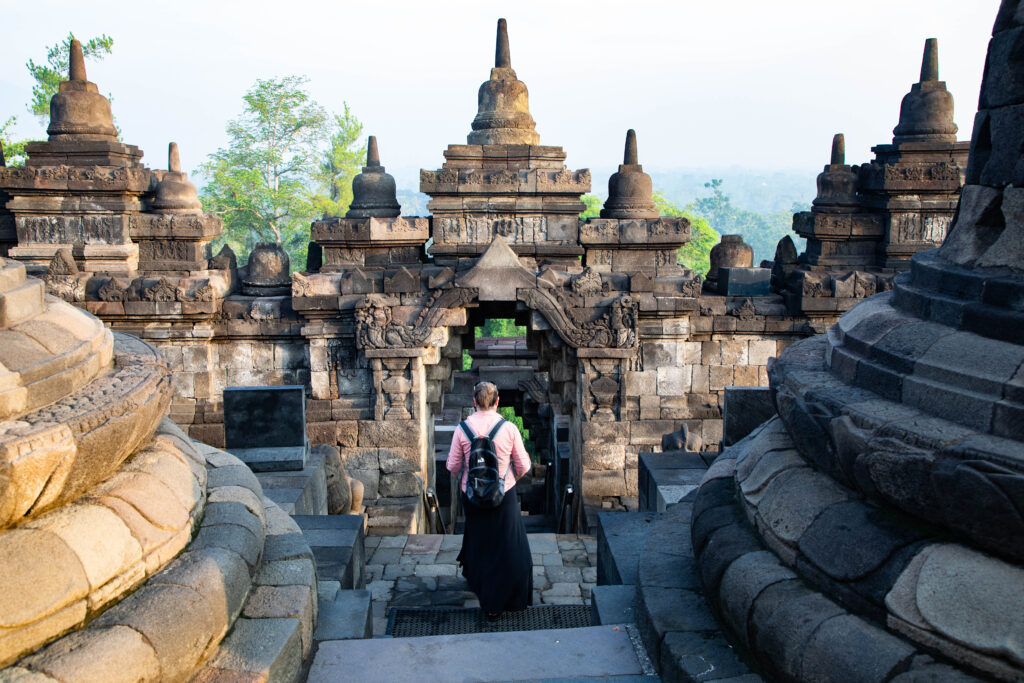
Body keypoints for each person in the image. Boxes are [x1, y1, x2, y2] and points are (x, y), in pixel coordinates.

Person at [446, 381, 533, 618]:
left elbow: (452, 465)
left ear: (474, 401)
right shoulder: (508, 429)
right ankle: (509, 597)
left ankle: (483, 590)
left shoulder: (462, 429)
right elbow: (524, 465)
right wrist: (507, 478)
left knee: (480, 543)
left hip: (472, 496)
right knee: (507, 545)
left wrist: (466, 481)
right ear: (497, 402)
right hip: (503, 494)